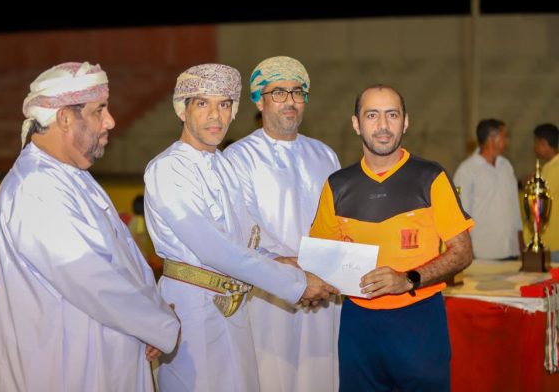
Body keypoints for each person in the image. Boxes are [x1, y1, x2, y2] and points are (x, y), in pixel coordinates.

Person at [144, 63, 338, 392]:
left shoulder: (223, 165)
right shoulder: (168, 168)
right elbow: (215, 250)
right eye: (202, 103)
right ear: (182, 110)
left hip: (233, 307)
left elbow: (247, 240)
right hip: (190, 310)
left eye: (224, 104)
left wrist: (288, 263)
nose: (215, 115)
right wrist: (296, 284)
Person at [0, 62, 180, 392]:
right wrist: (159, 324)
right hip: (68, 367)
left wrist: (152, 313)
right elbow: (92, 278)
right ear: (65, 117)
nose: (110, 121)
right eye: (99, 110)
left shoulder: (71, 177)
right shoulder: (35, 187)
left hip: (102, 355)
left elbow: (120, 263)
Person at [310, 84, 473, 392]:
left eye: (392, 115)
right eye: (372, 115)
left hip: (419, 320)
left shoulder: (431, 177)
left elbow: (462, 252)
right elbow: (321, 258)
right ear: (356, 123)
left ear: (405, 122)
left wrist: (408, 280)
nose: (383, 125)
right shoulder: (337, 185)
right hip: (358, 325)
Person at [224, 56, 341, 392]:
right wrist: (295, 277)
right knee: (272, 377)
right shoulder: (238, 158)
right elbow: (243, 233)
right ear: (259, 101)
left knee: (322, 376)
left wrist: (323, 275)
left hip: (323, 294)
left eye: (297, 92)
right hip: (268, 297)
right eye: (278, 93)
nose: (290, 101)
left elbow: (338, 225)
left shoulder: (325, 155)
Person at [453, 118, 523, 260]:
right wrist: (466, 250)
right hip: (484, 253)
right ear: (492, 140)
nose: (507, 141)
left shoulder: (506, 166)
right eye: (504, 136)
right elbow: (461, 215)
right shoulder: (467, 170)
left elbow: (515, 206)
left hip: (511, 249)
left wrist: (521, 242)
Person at [533, 123, 559, 261]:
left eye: (536, 143)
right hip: (549, 240)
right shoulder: (547, 167)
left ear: (543, 143)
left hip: (555, 243)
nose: (534, 147)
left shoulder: (556, 167)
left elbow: (541, 201)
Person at [128, 194, 163, 277]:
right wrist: (148, 255)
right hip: (141, 256)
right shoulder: (140, 220)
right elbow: (137, 238)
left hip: (135, 255)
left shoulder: (134, 219)